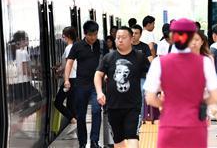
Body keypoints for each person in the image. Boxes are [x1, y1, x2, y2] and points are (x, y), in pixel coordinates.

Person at [144, 19, 217, 148]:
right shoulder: (204, 62)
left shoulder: (159, 62)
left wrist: (167, 104)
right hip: (195, 126)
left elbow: (150, 98)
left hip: (169, 124)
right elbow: (215, 97)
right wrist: (197, 102)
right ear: (192, 38)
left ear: (171, 36)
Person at [95, 27, 149, 148]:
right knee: (118, 141)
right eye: (118, 38)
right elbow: (98, 75)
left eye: (123, 37)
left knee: (132, 137)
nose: (120, 40)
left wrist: (157, 91)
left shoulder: (140, 57)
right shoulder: (108, 58)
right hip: (113, 107)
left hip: (133, 107)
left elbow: (152, 74)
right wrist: (99, 92)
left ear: (131, 39)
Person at [65, 20, 102, 148]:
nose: (93, 38)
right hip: (81, 85)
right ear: (85, 34)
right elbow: (69, 62)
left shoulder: (100, 44)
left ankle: (94, 141)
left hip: (96, 85)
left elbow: (106, 59)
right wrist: (66, 79)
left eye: (95, 34)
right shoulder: (77, 46)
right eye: (90, 35)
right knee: (81, 114)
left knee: (97, 111)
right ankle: (82, 142)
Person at [55, 26, 77, 122]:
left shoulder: (69, 48)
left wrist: (61, 72)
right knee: (70, 103)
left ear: (68, 36)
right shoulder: (73, 47)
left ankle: (72, 119)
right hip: (73, 78)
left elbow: (69, 63)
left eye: (63, 36)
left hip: (70, 79)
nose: (63, 38)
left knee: (57, 102)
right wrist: (59, 68)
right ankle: (74, 119)